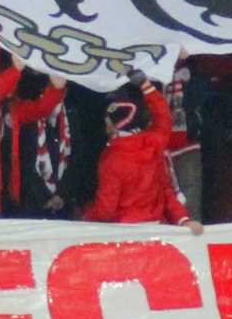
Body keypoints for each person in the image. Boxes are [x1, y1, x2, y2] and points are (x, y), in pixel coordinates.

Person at [82, 94, 191, 224]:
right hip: (155, 228)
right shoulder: (154, 147)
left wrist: (85, 217)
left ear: (112, 124)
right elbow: (166, 190)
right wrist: (182, 218)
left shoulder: (112, 159)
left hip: (124, 231)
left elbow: (105, 210)